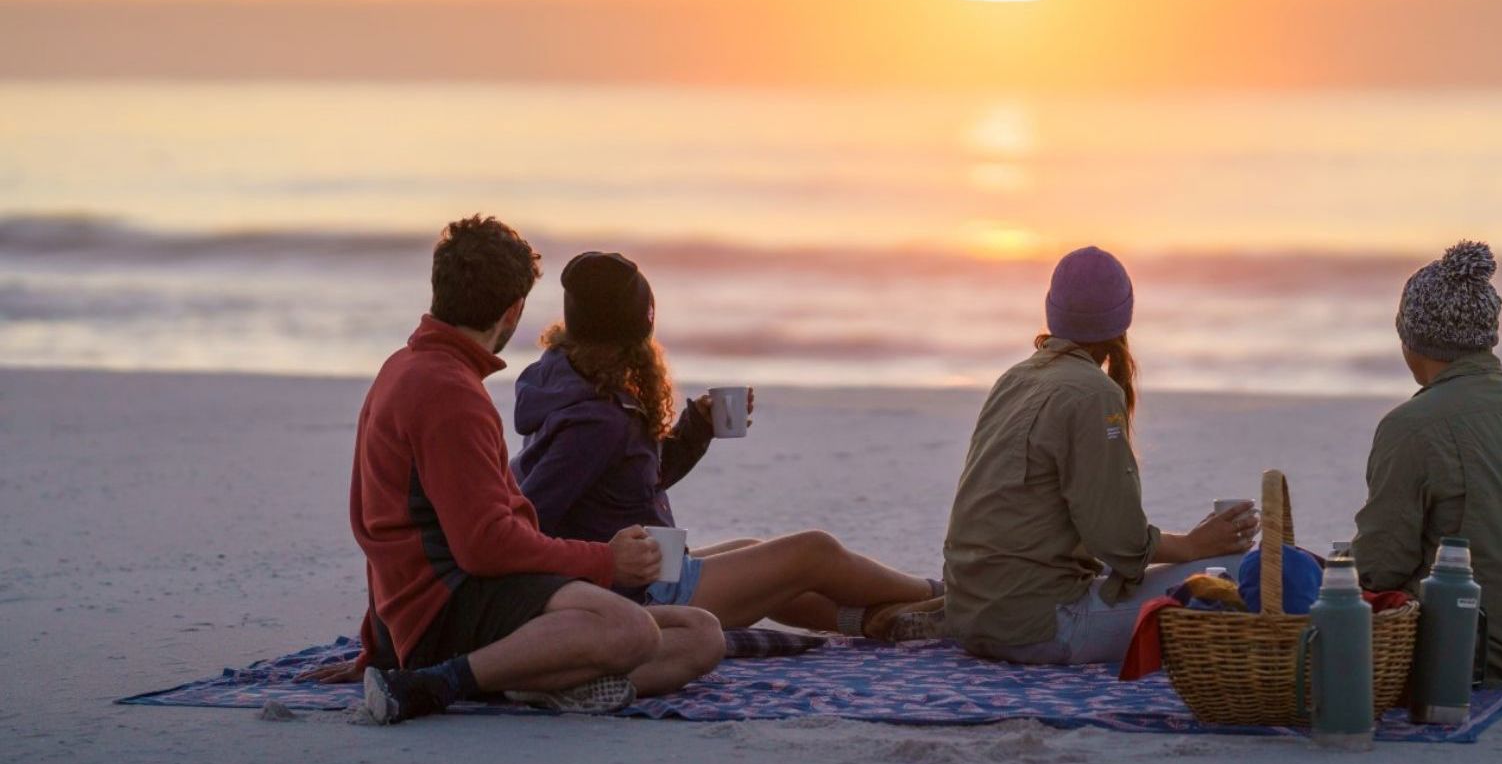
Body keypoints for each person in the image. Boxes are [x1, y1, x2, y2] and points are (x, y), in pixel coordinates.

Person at [344, 217, 724, 725]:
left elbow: (373, 524)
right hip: (450, 608)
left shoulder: (403, 367)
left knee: (702, 635)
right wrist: (605, 562)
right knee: (630, 632)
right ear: (513, 311)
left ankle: (539, 683)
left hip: (443, 608)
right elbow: (485, 547)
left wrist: (378, 640)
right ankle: (438, 683)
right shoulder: (450, 393)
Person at [511, 251, 942, 639]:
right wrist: (606, 561)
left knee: (753, 552)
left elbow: (634, 481)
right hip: (635, 594)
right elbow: (529, 519)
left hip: (644, 572)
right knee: (814, 551)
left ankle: (875, 621)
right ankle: (945, 595)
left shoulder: (568, 381)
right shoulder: (597, 420)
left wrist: (696, 427)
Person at [941, 246, 1258, 664]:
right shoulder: (1094, 394)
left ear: (1052, 311)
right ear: (1123, 318)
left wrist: (1188, 544)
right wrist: (1196, 546)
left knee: (1197, 567)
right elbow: (1120, 545)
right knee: (1238, 571)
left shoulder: (1014, 378)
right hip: (1040, 629)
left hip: (970, 619)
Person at [1350, 240, 1502, 687]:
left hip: (1469, 654)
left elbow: (1381, 565)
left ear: (1411, 340)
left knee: (1294, 580)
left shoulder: (1411, 425)